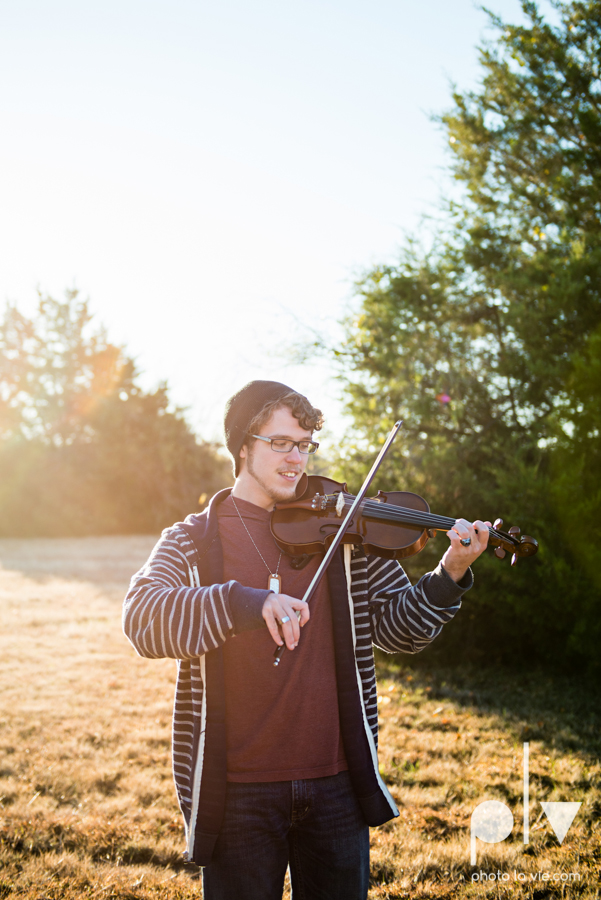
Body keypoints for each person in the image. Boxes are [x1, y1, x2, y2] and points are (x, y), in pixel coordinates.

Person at [123, 380, 491, 900]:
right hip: (236, 795)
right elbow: (142, 619)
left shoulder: (342, 531)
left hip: (336, 787)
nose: (297, 459)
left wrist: (449, 572)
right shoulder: (193, 539)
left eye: (305, 444)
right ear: (243, 445)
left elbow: (397, 630)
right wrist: (243, 603)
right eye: (281, 443)